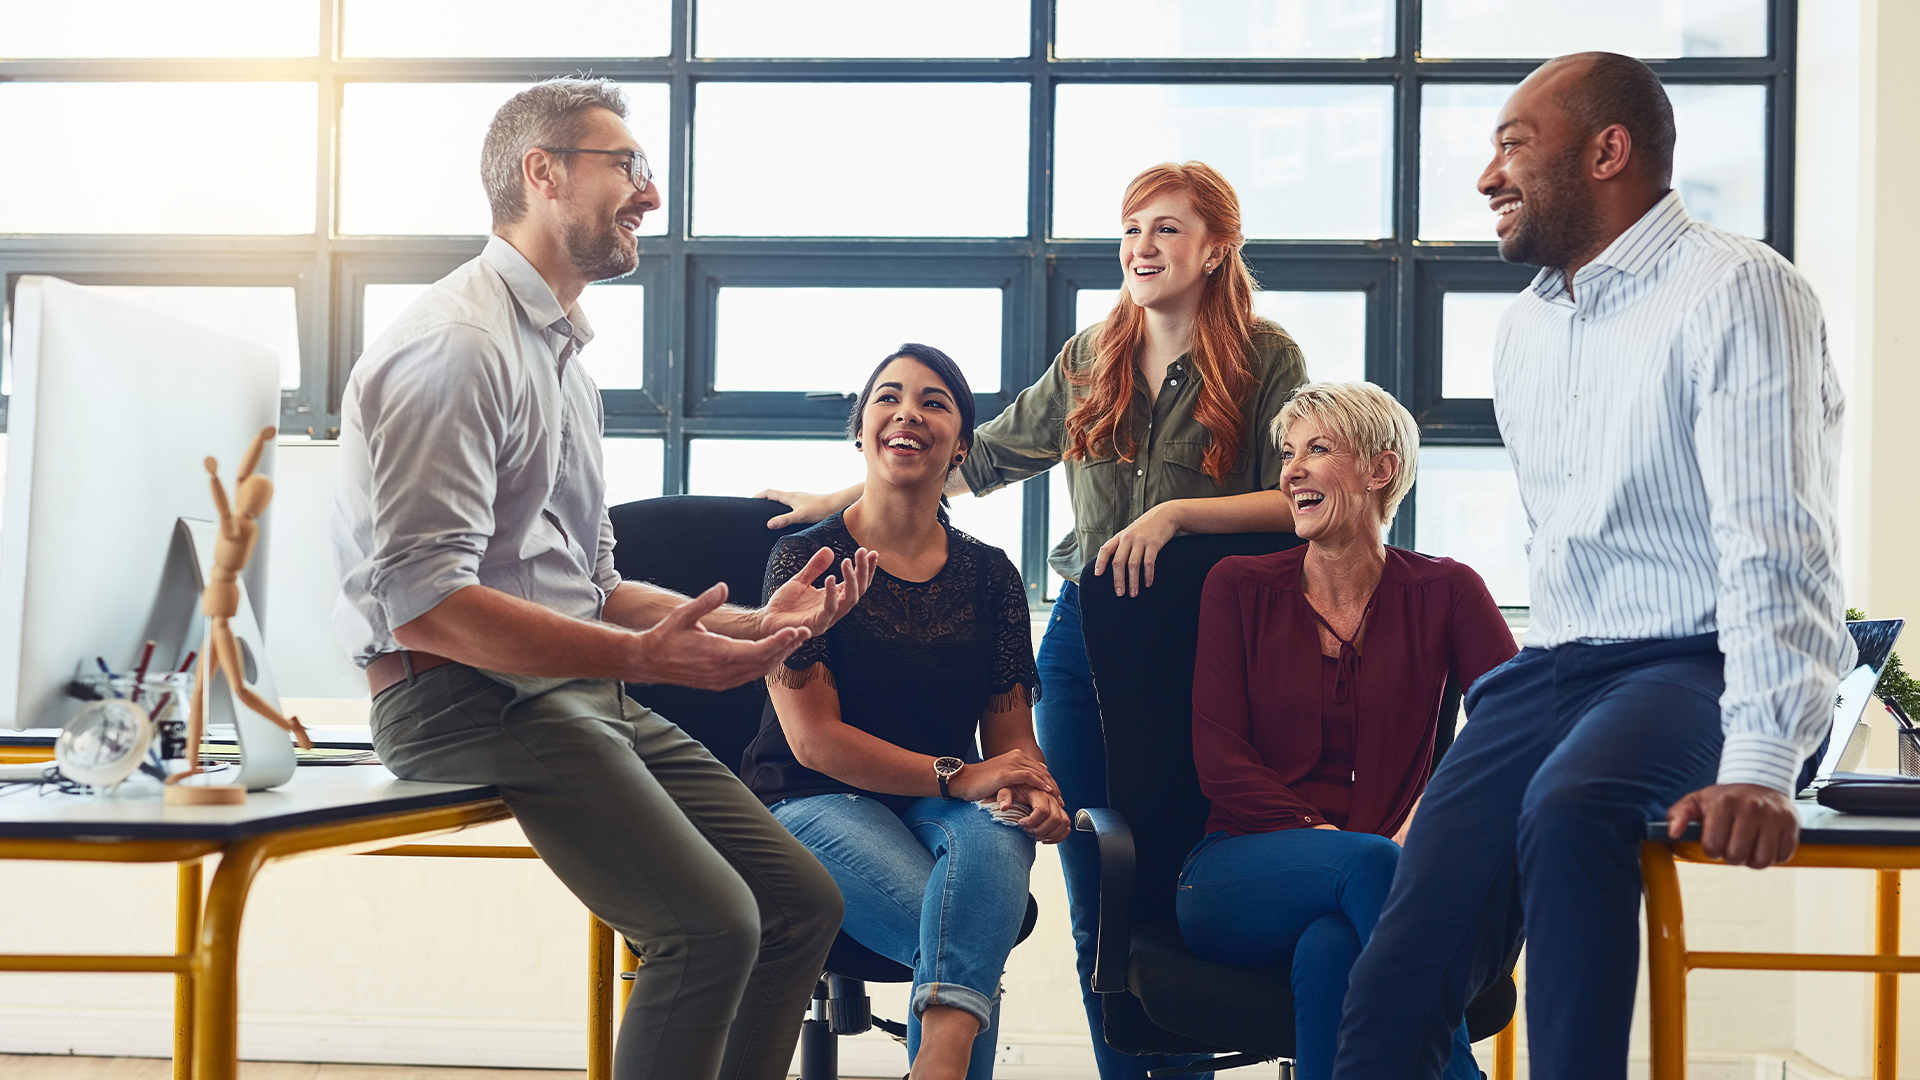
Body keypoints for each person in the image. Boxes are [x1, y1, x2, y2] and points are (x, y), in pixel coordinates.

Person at [330, 77, 879, 1080]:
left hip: (569, 690)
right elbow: (428, 605)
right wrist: (637, 658)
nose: (649, 195)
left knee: (802, 905)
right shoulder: (459, 348)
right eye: (625, 166)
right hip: (453, 696)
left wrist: (755, 626)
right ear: (542, 174)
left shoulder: (564, 365)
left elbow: (593, 583)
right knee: (709, 931)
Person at [1332, 53, 1852, 1080]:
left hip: (1696, 660)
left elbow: (1774, 536)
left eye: (1514, 146)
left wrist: (1759, 761)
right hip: (1554, 669)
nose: (1488, 178)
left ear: (1608, 151)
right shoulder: (1527, 328)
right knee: (1403, 955)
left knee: (1573, 810)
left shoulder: (1739, 289)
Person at [761, 161, 1306, 1080]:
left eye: (1167, 230)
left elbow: (1301, 499)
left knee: (1177, 876)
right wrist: (839, 495)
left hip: (1207, 649)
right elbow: (979, 456)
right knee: (1101, 888)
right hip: (1090, 645)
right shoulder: (1093, 356)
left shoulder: (1266, 358)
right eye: (1132, 229)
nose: (1143, 248)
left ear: (1217, 249)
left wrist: (1173, 516)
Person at [743, 343, 1071, 1080]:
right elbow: (814, 741)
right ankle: (945, 1064)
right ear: (861, 428)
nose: (909, 413)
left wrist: (1031, 789)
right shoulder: (805, 560)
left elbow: (1013, 743)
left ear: (961, 444)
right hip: (811, 797)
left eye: (935, 402)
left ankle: (936, 1065)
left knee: (1002, 827)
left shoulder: (991, 575)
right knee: (970, 926)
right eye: (889, 397)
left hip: (937, 802)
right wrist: (967, 778)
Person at [1178, 381, 1516, 1080]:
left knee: (1333, 948)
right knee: (1368, 868)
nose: (1291, 471)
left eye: (1318, 449)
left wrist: (1419, 826)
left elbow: (1513, 728)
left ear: (1379, 470)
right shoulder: (1237, 586)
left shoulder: (1447, 590)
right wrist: (1341, 845)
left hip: (1377, 878)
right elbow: (1219, 758)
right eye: (1288, 453)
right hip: (1233, 876)